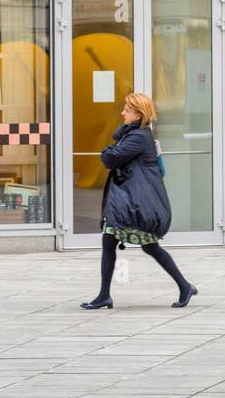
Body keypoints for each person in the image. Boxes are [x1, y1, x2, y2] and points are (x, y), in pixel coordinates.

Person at [81, 92, 198, 309]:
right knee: (117, 243)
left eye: (127, 109)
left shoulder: (138, 137)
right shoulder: (134, 134)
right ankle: (104, 295)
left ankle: (184, 286)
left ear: (138, 114)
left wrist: (108, 150)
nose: (122, 112)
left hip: (136, 202)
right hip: (131, 201)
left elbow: (110, 158)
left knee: (147, 246)